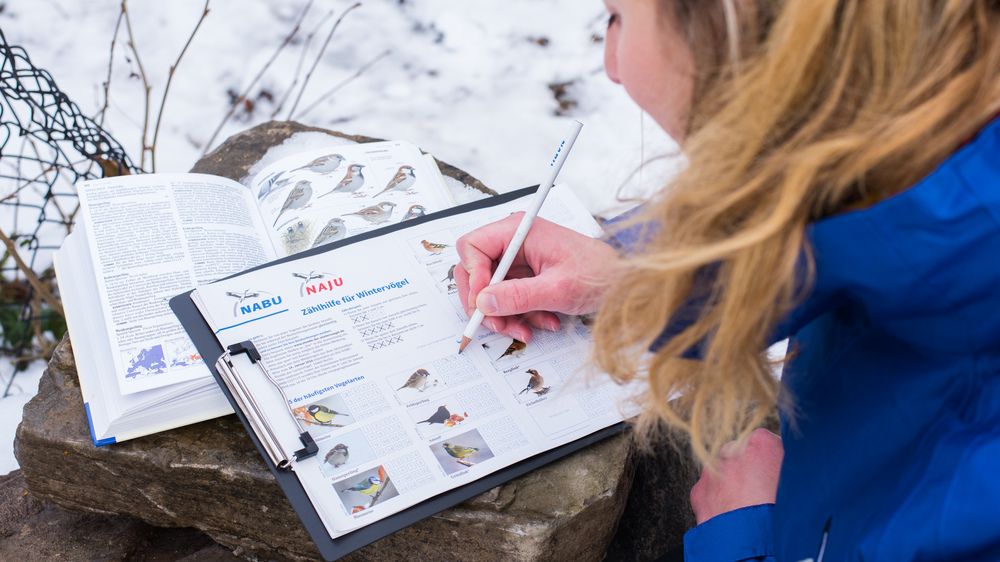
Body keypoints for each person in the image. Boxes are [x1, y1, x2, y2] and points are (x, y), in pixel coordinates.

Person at [455, 0, 1000, 560]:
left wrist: (748, 541)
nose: (612, 65)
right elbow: (819, 216)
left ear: (735, 29)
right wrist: (630, 269)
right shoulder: (919, 150)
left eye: (617, 18)